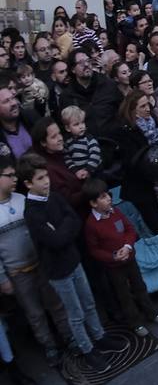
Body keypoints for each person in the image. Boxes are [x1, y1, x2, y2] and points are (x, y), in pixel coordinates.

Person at [17, 154, 112, 370]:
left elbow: (74, 220)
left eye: (46, 176)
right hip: (57, 270)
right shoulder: (32, 212)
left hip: (73, 259)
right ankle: (88, 350)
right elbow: (55, 240)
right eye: (40, 178)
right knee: (75, 313)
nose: (46, 181)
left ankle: (100, 336)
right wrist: (62, 229)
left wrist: (60, 228)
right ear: (28, 183)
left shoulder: (54, 196)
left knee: (88, 302)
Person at [0, 155, 69, 368]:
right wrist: (2, 278)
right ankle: (49, 346)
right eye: (9, 175)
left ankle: (69, 337)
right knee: (34, 312)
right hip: (17, 272)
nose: (15, 179)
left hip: (42, 264)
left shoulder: (23, 200)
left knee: (55, 303)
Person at [80, 177, 158, 336]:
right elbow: (94, 250)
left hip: (130, 258)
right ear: (93, 203)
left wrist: (127, 247)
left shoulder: (116, 212)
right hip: (114, 266)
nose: (109, 199)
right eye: (103, 197)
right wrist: (113, 257)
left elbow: (130, 230)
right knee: (124, 294)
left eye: (108, 195)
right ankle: (136, 323)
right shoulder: (91, 225)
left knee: (140, 286)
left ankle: (151, 312)